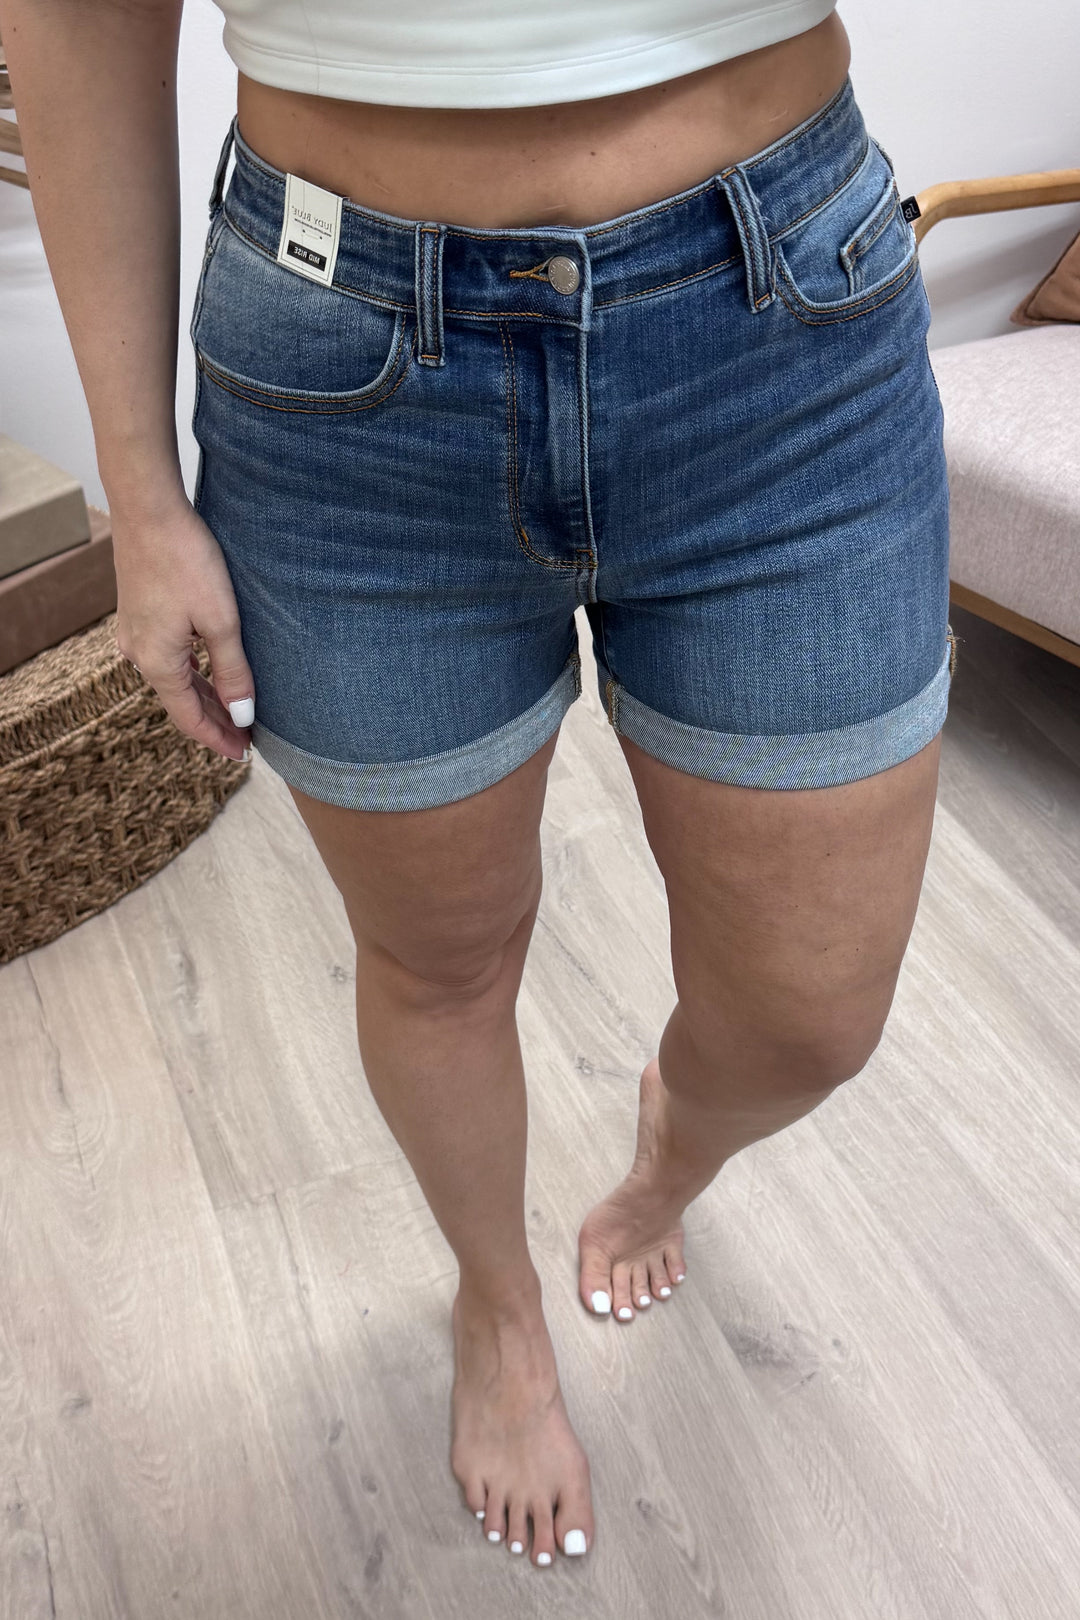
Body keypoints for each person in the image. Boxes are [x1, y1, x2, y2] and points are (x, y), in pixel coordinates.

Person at [6, 0, 956, 1573]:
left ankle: (673, 1147)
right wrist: (138, 489)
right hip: (347, 379)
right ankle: (496, 1305)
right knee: (441, 959)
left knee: (809, 1018)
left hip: (780, 334)